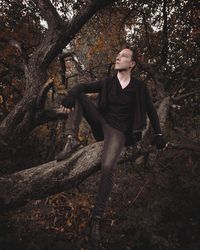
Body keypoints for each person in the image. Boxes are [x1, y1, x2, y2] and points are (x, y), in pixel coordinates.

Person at [55, 46, 166, 245]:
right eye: (118, 54)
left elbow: (151, 111)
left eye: (123, 56)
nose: (118, 57)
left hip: (118, 133)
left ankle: (96, 220)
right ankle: (71, 138)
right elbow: (81, 87)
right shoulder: (108, 82)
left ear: (131, 64)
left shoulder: (139, 87)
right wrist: (70, 95)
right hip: (101, 125)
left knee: (107, 168)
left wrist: (158, 134)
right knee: (79, 94)